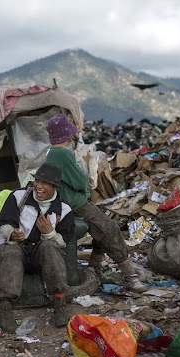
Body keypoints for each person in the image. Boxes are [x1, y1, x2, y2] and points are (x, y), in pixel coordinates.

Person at [44, 113, 145, 290]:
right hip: (77, 204)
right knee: (109, 228)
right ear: (66, 134)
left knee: (102, 227)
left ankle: (95, 267)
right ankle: (130, 275)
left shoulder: (51, 152)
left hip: (69, 203)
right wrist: (84, 183)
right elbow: (79, 182)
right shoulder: (62, 153)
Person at [0, 162, 74, 332]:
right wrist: (12, 233)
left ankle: (59, 303)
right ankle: (5, 307)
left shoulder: (63, 209)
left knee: (50, 246)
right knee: (11, 249)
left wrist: (49, 233)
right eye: (37, 181)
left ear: (55, 187)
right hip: (16, 250)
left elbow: (63, 241)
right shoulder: (18, 196)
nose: (39, 186)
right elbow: (3, 223)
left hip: (39, 255)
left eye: (45, 183)